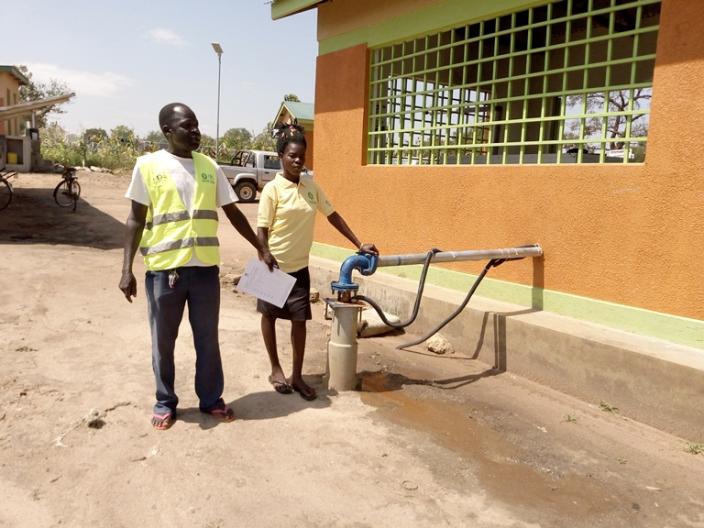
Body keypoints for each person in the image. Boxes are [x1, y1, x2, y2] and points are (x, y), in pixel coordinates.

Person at [119, 102, 275, 430]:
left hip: (204, 270)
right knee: (163, 341)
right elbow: (135, 218)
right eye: (187, 126)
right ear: (167, 131)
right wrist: (125, 269)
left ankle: (211, 399)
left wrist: (260, 246)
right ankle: (165, 401)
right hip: (165, 271)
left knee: (208, 339)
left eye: (197, 125)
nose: (195, 131)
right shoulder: (148, 166)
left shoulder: (209, 166)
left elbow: (232, 211)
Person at [257, 123, 378, 401]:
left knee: (299, 321)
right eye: (292, 156)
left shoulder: (311, 187)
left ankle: (296, 375)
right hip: (273, 266)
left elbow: (333, 215)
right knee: (270, 316)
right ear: (281, 156)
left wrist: (359, 244)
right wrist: (263, 253)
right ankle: (276, 369)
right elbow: (261, 229)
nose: (298, 161)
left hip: (300, 268)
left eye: (302, 156)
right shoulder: (272, 190)